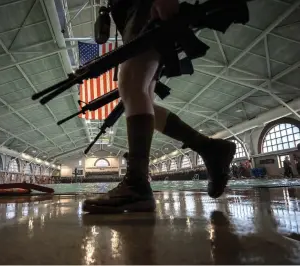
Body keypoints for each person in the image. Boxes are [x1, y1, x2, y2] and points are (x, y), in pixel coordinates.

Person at [82, 0, 236, 213]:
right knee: (139, 96)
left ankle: (136, 185)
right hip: (130, 13)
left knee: (131, 83)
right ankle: (210, 148)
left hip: (141, 6)